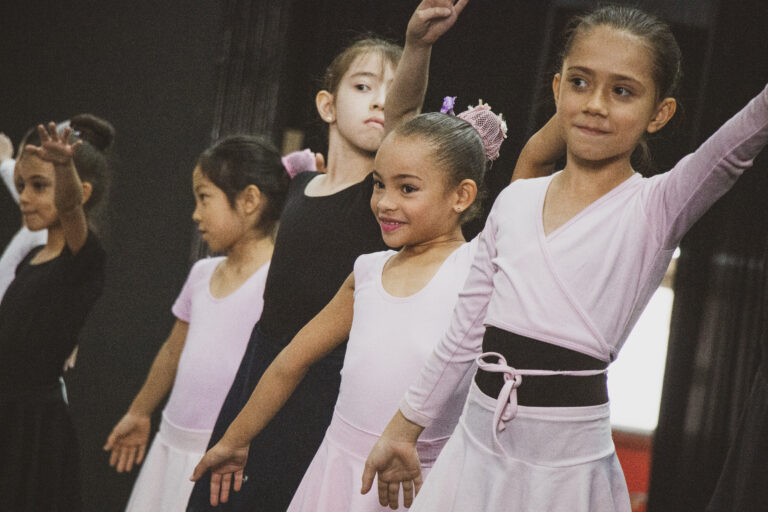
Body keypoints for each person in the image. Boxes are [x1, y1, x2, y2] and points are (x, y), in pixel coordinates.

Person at [361, 5, 768, 511]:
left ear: (659, 113)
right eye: (580, 82)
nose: (595, 104)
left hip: (566, 466)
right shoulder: (516, 201)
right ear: (557, 91)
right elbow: (465, 333)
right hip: (474, 446)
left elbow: (733, 149)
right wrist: (404, 428)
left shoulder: (655, 206)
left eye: (622, 91)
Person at [185, 2, 469, 510]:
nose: (379, 100)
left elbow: (401, 117)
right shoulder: (301, 185)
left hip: (325, 383)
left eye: (389, 87)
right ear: (327, 104)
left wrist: (418, 47)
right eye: (362, 86)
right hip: (265, 367)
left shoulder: (380, 201)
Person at [102, 135, 290, 511]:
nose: (195, 214)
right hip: (170, 443)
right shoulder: (202, 274)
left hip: (220, 453)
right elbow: (174, 350)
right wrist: (140, 411)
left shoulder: (278, 282)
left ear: (250, 201)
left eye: (204, 198)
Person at [0, 117, 114, 511]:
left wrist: (63, 166)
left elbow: (69, 208)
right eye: (21, 187)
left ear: (81, 191)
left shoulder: (81, 260)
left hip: (34, 427)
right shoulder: (31, 258)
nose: (26, 198)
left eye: (38, 186)